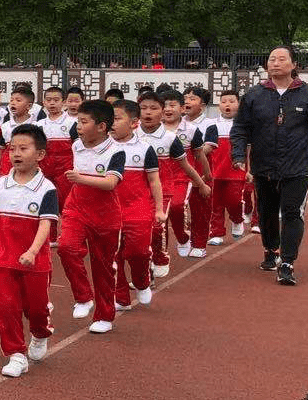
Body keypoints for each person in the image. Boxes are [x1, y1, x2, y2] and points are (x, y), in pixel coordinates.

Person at [230, 45, 308, 286]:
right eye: (271, 59)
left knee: (292, 213)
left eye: (281, 59)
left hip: (298, 166)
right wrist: (238, 155)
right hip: (264, 165)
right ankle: (271, 250)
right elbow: (240, 129)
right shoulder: (254, 95)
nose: (275, 63)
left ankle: (288, 263)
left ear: (293, 65)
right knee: (267, 212)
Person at [0, 125, 59, 378]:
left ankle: (40, 332)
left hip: (34, 261)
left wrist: (32, 251)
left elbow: (46, 224)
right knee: (6, 306)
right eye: (12, 149)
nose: (15, 153)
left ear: (40, 154)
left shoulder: (46, 188)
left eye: (23, 148)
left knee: (36, 308)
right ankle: (16, 353)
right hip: (4, 256)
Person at [58, 99, 126, 334]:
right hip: (76, 208)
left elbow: (110, 183)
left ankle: (104, 315)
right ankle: (83, 296)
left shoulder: (116, 152)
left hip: (105, 215)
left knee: (103, 267)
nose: (78, 125)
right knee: (66, 247)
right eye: (77, 120)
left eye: (84, 122)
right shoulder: (76, 143)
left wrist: (80, 179)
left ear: (101, 126)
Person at [109, 99, 164, 313]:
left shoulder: (145, 148)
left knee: (138, 252)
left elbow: (154, 180)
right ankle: (120, 297)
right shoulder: (102, 147)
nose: (111, 123)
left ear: (134, 123)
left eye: (116, 118)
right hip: (110, 211)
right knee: (114, 256)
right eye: (109, 119)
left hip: (138, 209)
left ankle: (142, 281)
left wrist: (159, 208)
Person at [158, 88, 212, 259]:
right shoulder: (152, 130)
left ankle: (182, 236)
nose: (168, 109)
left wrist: (206, 176)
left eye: (172, 105)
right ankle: (160, 255)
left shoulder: (190, 130)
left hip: (182, 178)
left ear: (182, 108)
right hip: (157, 180)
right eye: (164, 105)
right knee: (159, 219)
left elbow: (199, 153)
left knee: (176, 206)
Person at [203, 89, 247, 244]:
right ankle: (216, 232)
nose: (227, 104)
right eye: (223, 102)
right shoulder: (212, 124)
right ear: (218, 105)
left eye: (231, 101)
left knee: (234, 200)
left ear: (239, 104)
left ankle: (237, 219)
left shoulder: (244, 124)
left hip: (236, 171)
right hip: (216, 171)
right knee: (216, 203)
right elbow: (206, 147)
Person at [181, 86, 215, 252]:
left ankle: (199, 244)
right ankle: (184, 237)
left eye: (192, 98)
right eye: (186, 97)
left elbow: (207, 147)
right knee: (177, 208)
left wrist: (189, 152)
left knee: (200, 208)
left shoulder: (209, 124)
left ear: (202, 105)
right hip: (178, 171)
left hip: (200, 170)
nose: (187, 101)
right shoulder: (176, 123)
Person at [37, 87, 76, 212]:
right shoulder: (39, 125)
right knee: (46, 202)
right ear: (44, 102)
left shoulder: (72, 123)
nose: (52, 103)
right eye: (48, 100)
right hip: (45, 168)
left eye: (56, 100)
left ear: (63, 102)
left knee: (65, 204)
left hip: (66, 170)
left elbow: (77, 148)